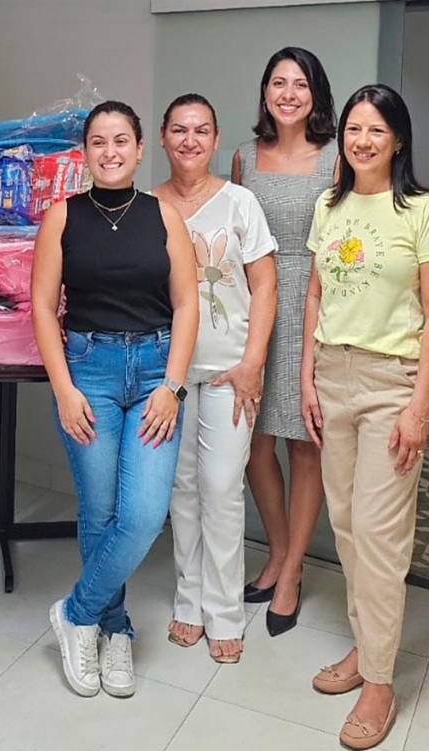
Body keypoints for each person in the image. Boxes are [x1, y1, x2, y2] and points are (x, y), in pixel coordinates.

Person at [301, 84, 429, 751]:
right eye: (354, 129)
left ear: (397, 140)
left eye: (377, 130)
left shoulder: (423, 210)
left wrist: (420, 403)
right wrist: (308, 374)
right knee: (346, 525)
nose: (362, 140)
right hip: (333, 376)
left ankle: (381, 682)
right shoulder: (329, 204)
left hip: (393, 381)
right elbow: (313, 291)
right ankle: (367, 649)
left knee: (380, 532)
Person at [33, 101, 199, 698]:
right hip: (89, 372)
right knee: (99, 512)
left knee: (143, 515)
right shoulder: (62, 217)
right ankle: (115, 628)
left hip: (155, 371)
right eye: (98, 142)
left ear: (138, 148)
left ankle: (76, 613)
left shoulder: (165, 217)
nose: (110, 152)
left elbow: (186, 305)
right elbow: (42, 308)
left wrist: (173, 386)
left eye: (121, 140)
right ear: (85, 152)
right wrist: (64, 388)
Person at [152, 94, 276, 664]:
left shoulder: (241, 203)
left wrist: (252, 362)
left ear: (217, 139)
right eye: (179, 130)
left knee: (223, 488)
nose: (190, 140)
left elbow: (266, 286)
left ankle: (225, 611)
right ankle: (188, 602)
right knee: (181, 491)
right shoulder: (147, 205)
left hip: (231, 371)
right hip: (171, 375)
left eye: (201, 130)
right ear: (162, 137)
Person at [232, 46, 338, 635]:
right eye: (279, 82)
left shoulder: (335, 159)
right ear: (266, 91)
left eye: (300, 84)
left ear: (316, 94)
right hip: (253, 306)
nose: (289, 93)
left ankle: (293, 570)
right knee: (253, 444)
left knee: (305, 445)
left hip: (314, 304)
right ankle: (275, 550)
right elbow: (232, 233)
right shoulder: (245, 157)